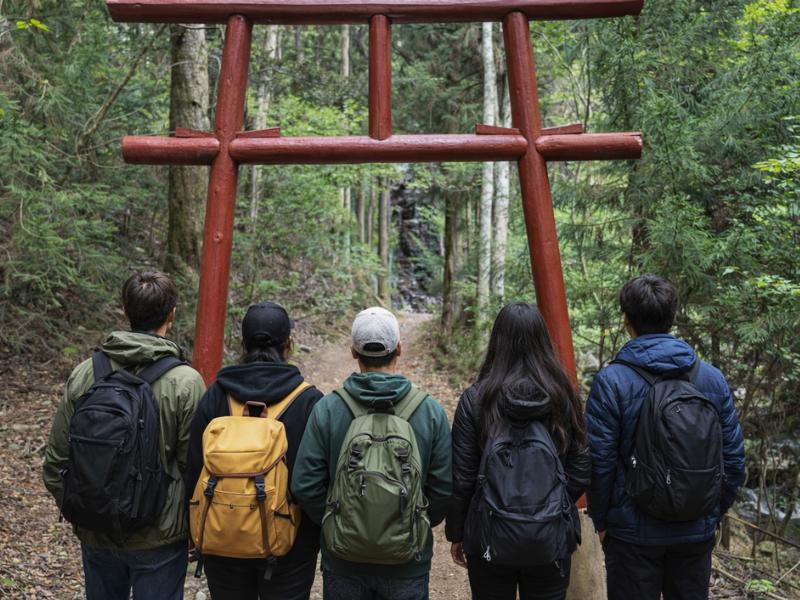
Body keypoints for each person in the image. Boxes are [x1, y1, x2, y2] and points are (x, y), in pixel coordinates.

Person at [43, 270, 206, 600]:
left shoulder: (86, 373)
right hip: (159, 536)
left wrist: (85, 511)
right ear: (171, 315)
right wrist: (193, 528)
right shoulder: (186, 382)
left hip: (96, 530)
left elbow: (56, 461)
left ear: (125, 310)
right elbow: (195, 469)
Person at [586, 274, 746, 600]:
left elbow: (599, 463)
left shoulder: (611, 381)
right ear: (672, 317)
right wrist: (711, 512)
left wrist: (602, 521)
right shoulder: (711, 378)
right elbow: (733, 459)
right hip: (695, 529)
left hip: (631, 534)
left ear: (626, 320)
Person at [291, 307, 452, 600]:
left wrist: (337, 521)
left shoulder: (328, 409)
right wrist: (412, 522)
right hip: (408, 562)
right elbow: (442, 489)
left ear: (354, 352)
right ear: (399, 348)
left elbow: (305, 484)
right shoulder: (429, 411)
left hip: (343, 561)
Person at [446, 301, 591, 600]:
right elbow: (581, 464)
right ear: (542, 341)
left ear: (497, 341)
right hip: (549, 538)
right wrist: (554, 505)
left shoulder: (476, 400)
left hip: (489, 534)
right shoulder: (563, 396)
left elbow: (462, 477)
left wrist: (458, 533)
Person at [185, 301, 324, 600]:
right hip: (290, 546)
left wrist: (193, 530)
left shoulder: (217, 396)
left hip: (222, 536)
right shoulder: (309, 401)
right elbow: (315, 479)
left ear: (242, 344)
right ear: (289, 344)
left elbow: (194, 468)